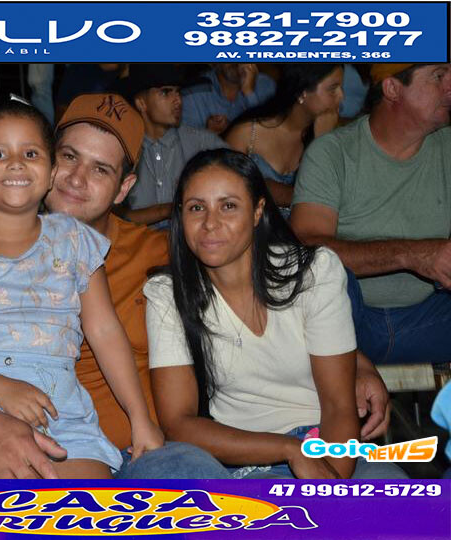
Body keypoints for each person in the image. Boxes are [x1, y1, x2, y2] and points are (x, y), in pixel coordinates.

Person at [0, 93, 233, 480]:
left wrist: (142, 420)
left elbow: (108, 329)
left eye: (100, 169)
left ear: (123, 187)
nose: (77, 178)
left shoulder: (156, 252)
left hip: (112, 446)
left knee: (193, 477)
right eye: (69, 156)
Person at [145, 148, 407, 479]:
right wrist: (288, 448)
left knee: (401, 503)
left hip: (332, 447)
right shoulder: (168, 292)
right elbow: (178, 424)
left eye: (228, 206)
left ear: (257, 212)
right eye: (197, 207)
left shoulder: (314, 272)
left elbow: (339, 406)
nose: (210, 223)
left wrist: (331, 485)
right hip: (245, 457)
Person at [290, 63, 451, 365]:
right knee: (325, 280)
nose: (449, 86)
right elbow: (306, 246)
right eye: (439, 76)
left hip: (429, 318)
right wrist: (413, 255)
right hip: (348, 320)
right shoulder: (333, 153)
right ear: (392, 88)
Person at [225, 64, 344, 217]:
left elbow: (333, 198)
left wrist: (322, 142)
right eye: (332, 89)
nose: (341, 96)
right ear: (302, 92)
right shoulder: (246, 134)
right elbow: (229, 191)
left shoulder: (331, 135)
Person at [120, 64, 228, 227]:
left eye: (178, 92)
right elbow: (111, 217)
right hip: (134, 241)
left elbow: (243, 181)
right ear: (141, 103)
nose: (178, 100)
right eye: (166, 92)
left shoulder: (203, 142)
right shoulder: (121, 147)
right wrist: (169, 209)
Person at [182, 63, 275, 134]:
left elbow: (270, 136)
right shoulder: (193, 94)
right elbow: (187, 147)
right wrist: (210, 136)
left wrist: (250, 94)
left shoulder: (265, 85)